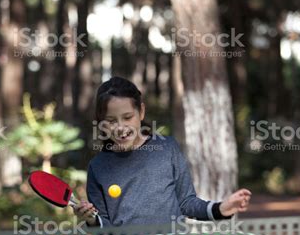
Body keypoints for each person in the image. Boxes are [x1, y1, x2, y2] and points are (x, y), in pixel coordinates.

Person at [74, 76, 251, 227]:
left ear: (141, 112)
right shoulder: (98, 167)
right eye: (111, 120)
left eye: (128, 117)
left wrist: (220, 209)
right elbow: (105, 230)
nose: (120, 127)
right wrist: (91, 220)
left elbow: (186, 203)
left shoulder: (167, 148)